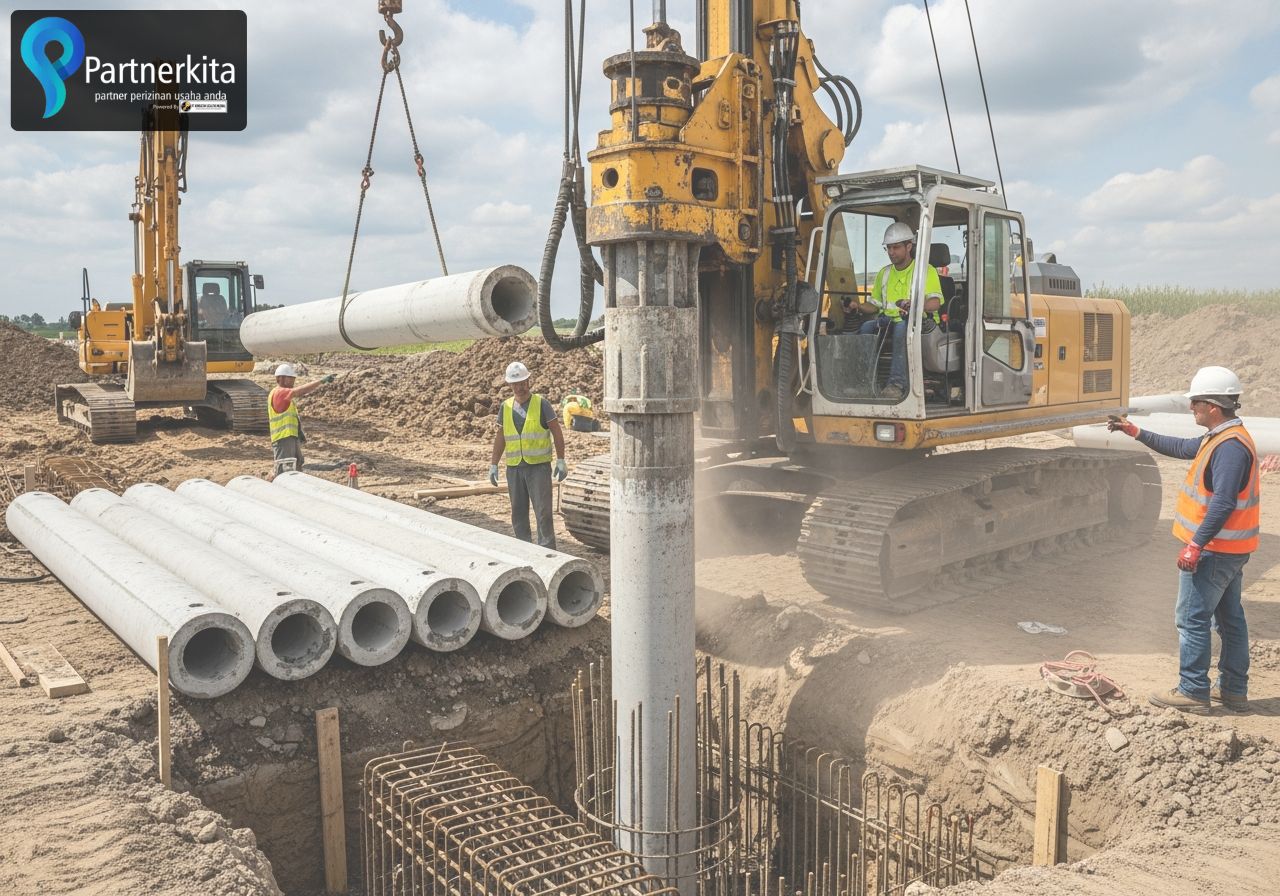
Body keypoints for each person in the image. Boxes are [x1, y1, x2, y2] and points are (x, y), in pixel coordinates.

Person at [1108, 366, 1259, 714]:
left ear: (1214, 406)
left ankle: (1193, 690)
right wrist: (1135, 431)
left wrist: (1196, 544)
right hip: (1231, 549)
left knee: (1192, 618)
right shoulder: (1223, 437)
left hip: (1215, 551)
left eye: (1196, 403)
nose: (1191, 408)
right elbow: (1181, 447)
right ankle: (1233, 690)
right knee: (1230, 619)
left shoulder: (1230, 448)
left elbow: (1223, 501)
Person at [856, 221, 944, 400]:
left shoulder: (926, 271)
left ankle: (897, 384)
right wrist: (856, 306)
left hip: (921, 324)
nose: (891, 252)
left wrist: (916, 306)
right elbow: (874, 305)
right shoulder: (884, 273)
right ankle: (865, 381)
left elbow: (935, 303)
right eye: (888, 248)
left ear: (909, 246)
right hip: (888, 321)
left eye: (896, 247)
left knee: (901, 328)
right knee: (866, 327)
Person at [488, 361, 568, 548]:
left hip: (538, 468)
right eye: (515, 384)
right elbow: (500, 437)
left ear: (528, 381)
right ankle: (524, 549)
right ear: (509, 385)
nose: (520, 387)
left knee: (543, 513)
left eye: (523, 382)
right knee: (518, 512)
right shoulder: (505, 407)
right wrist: (493, 464)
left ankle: (547, 552)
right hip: (515, 468)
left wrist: (561, 459)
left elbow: (556, 431)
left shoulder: (542, 404)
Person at [268, 362, 335, 479]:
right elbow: (299, 391)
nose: (293, 382)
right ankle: (274, 485)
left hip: (291, 437)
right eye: (291, 379)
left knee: (297, 464)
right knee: (283, 469)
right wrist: (321, 381)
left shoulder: (284, 394)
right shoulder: (279, 392)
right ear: (280, 378)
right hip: (283, 439)